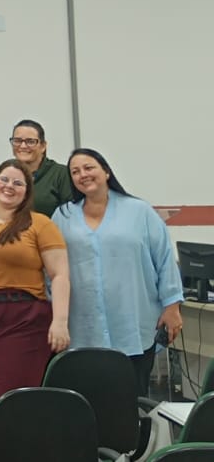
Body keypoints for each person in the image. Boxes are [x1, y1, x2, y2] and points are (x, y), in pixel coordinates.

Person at [53, 149, 181, 396]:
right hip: (82, 326)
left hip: (133, 322)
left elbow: (164, 258)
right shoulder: (63, 215)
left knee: (132, 401)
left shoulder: (139, 211)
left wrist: (172, 306)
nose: (83, 175)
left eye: (89, 167)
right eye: (75, 171)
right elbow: (53, 267)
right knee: (88, 401)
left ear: (106, 171)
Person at [0, 159, 70, 402]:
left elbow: (59, 274)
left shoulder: (40, 224)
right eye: (4, 179)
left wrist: (60, 322)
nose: (9, 186)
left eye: (18, 183)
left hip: (23, 316)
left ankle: (16, 440)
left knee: (8, 397)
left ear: (27, 192)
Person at [10, 120, 72, 216]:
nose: (22, 146)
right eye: (17, 141)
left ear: (43, 146)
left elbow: (71, 215)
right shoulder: (6, 174)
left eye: (30, 141)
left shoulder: (61, 174)